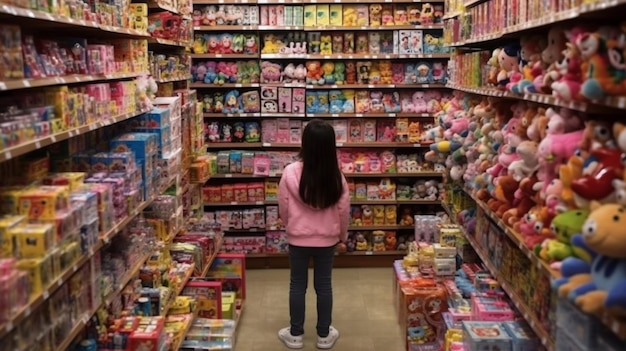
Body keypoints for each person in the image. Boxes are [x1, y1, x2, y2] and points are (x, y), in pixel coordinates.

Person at [277, 119, 350, 349]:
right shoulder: (336, 176)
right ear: (331, 146)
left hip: (298, 237)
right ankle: (324, 335)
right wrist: (342, 236)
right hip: (327, 238)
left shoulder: (290, 173)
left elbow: (284, 207)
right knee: (324, 285)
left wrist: (292, 227)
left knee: (297, 285)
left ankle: (296, 334)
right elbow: (343, 210)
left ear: (304, 143)